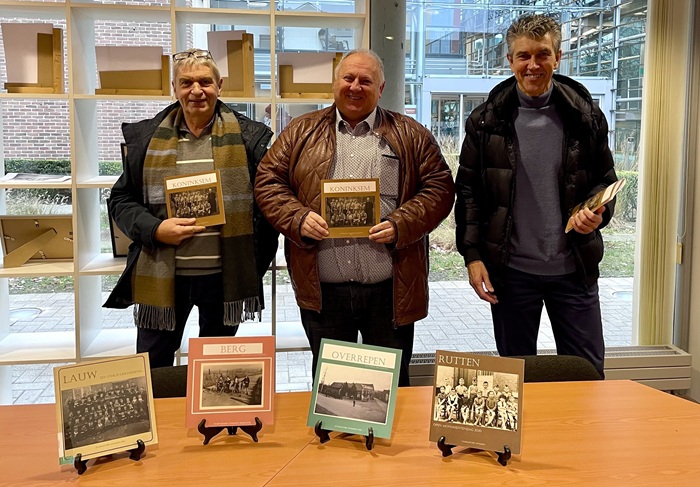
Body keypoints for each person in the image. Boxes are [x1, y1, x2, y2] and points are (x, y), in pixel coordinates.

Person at [255, 48, 455, 386]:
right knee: (333, 389)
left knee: (391, 387)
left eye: (366, 80)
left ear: (381, 88)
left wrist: (401, 224)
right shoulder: (300, 131)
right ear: (335, 83)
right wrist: (297, 218)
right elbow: (267, 181)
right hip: (325, 292)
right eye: (348, 78)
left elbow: (440, 188)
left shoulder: (411, 133)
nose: (355, 86)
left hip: (390, 291)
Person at [454, 14, 617, 378]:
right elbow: (468, 193)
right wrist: (473, 256)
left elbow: (605, 183)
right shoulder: (485, 122)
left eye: (542, 54)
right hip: (511, 273)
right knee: (514, 379)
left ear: (557, 57)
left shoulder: (586, 116)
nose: (533, 65)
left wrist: (598, 213)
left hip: (574, 268)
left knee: (588, 375)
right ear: (510, 60)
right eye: (523, 56)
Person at [104, 48, 279, 368]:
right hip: (162, 277)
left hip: (225, 278)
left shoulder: (248, 138)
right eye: (186, 83)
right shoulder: (147, 138)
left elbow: (268, 204)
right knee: (153, 367)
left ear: (219, 85)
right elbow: (121, 199)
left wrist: (254, 263)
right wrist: (155, 229)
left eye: (205, 82)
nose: (196, 91)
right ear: (174, 88)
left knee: (213, 373)